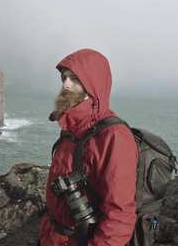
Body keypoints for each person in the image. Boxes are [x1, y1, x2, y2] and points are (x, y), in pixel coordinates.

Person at [39, 48, 138, 246]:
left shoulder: (114, 136)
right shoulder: (72, 128)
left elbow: (119, 216)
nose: (66, 85)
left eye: (75, 79)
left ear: (93, 84)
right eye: (64, 78)